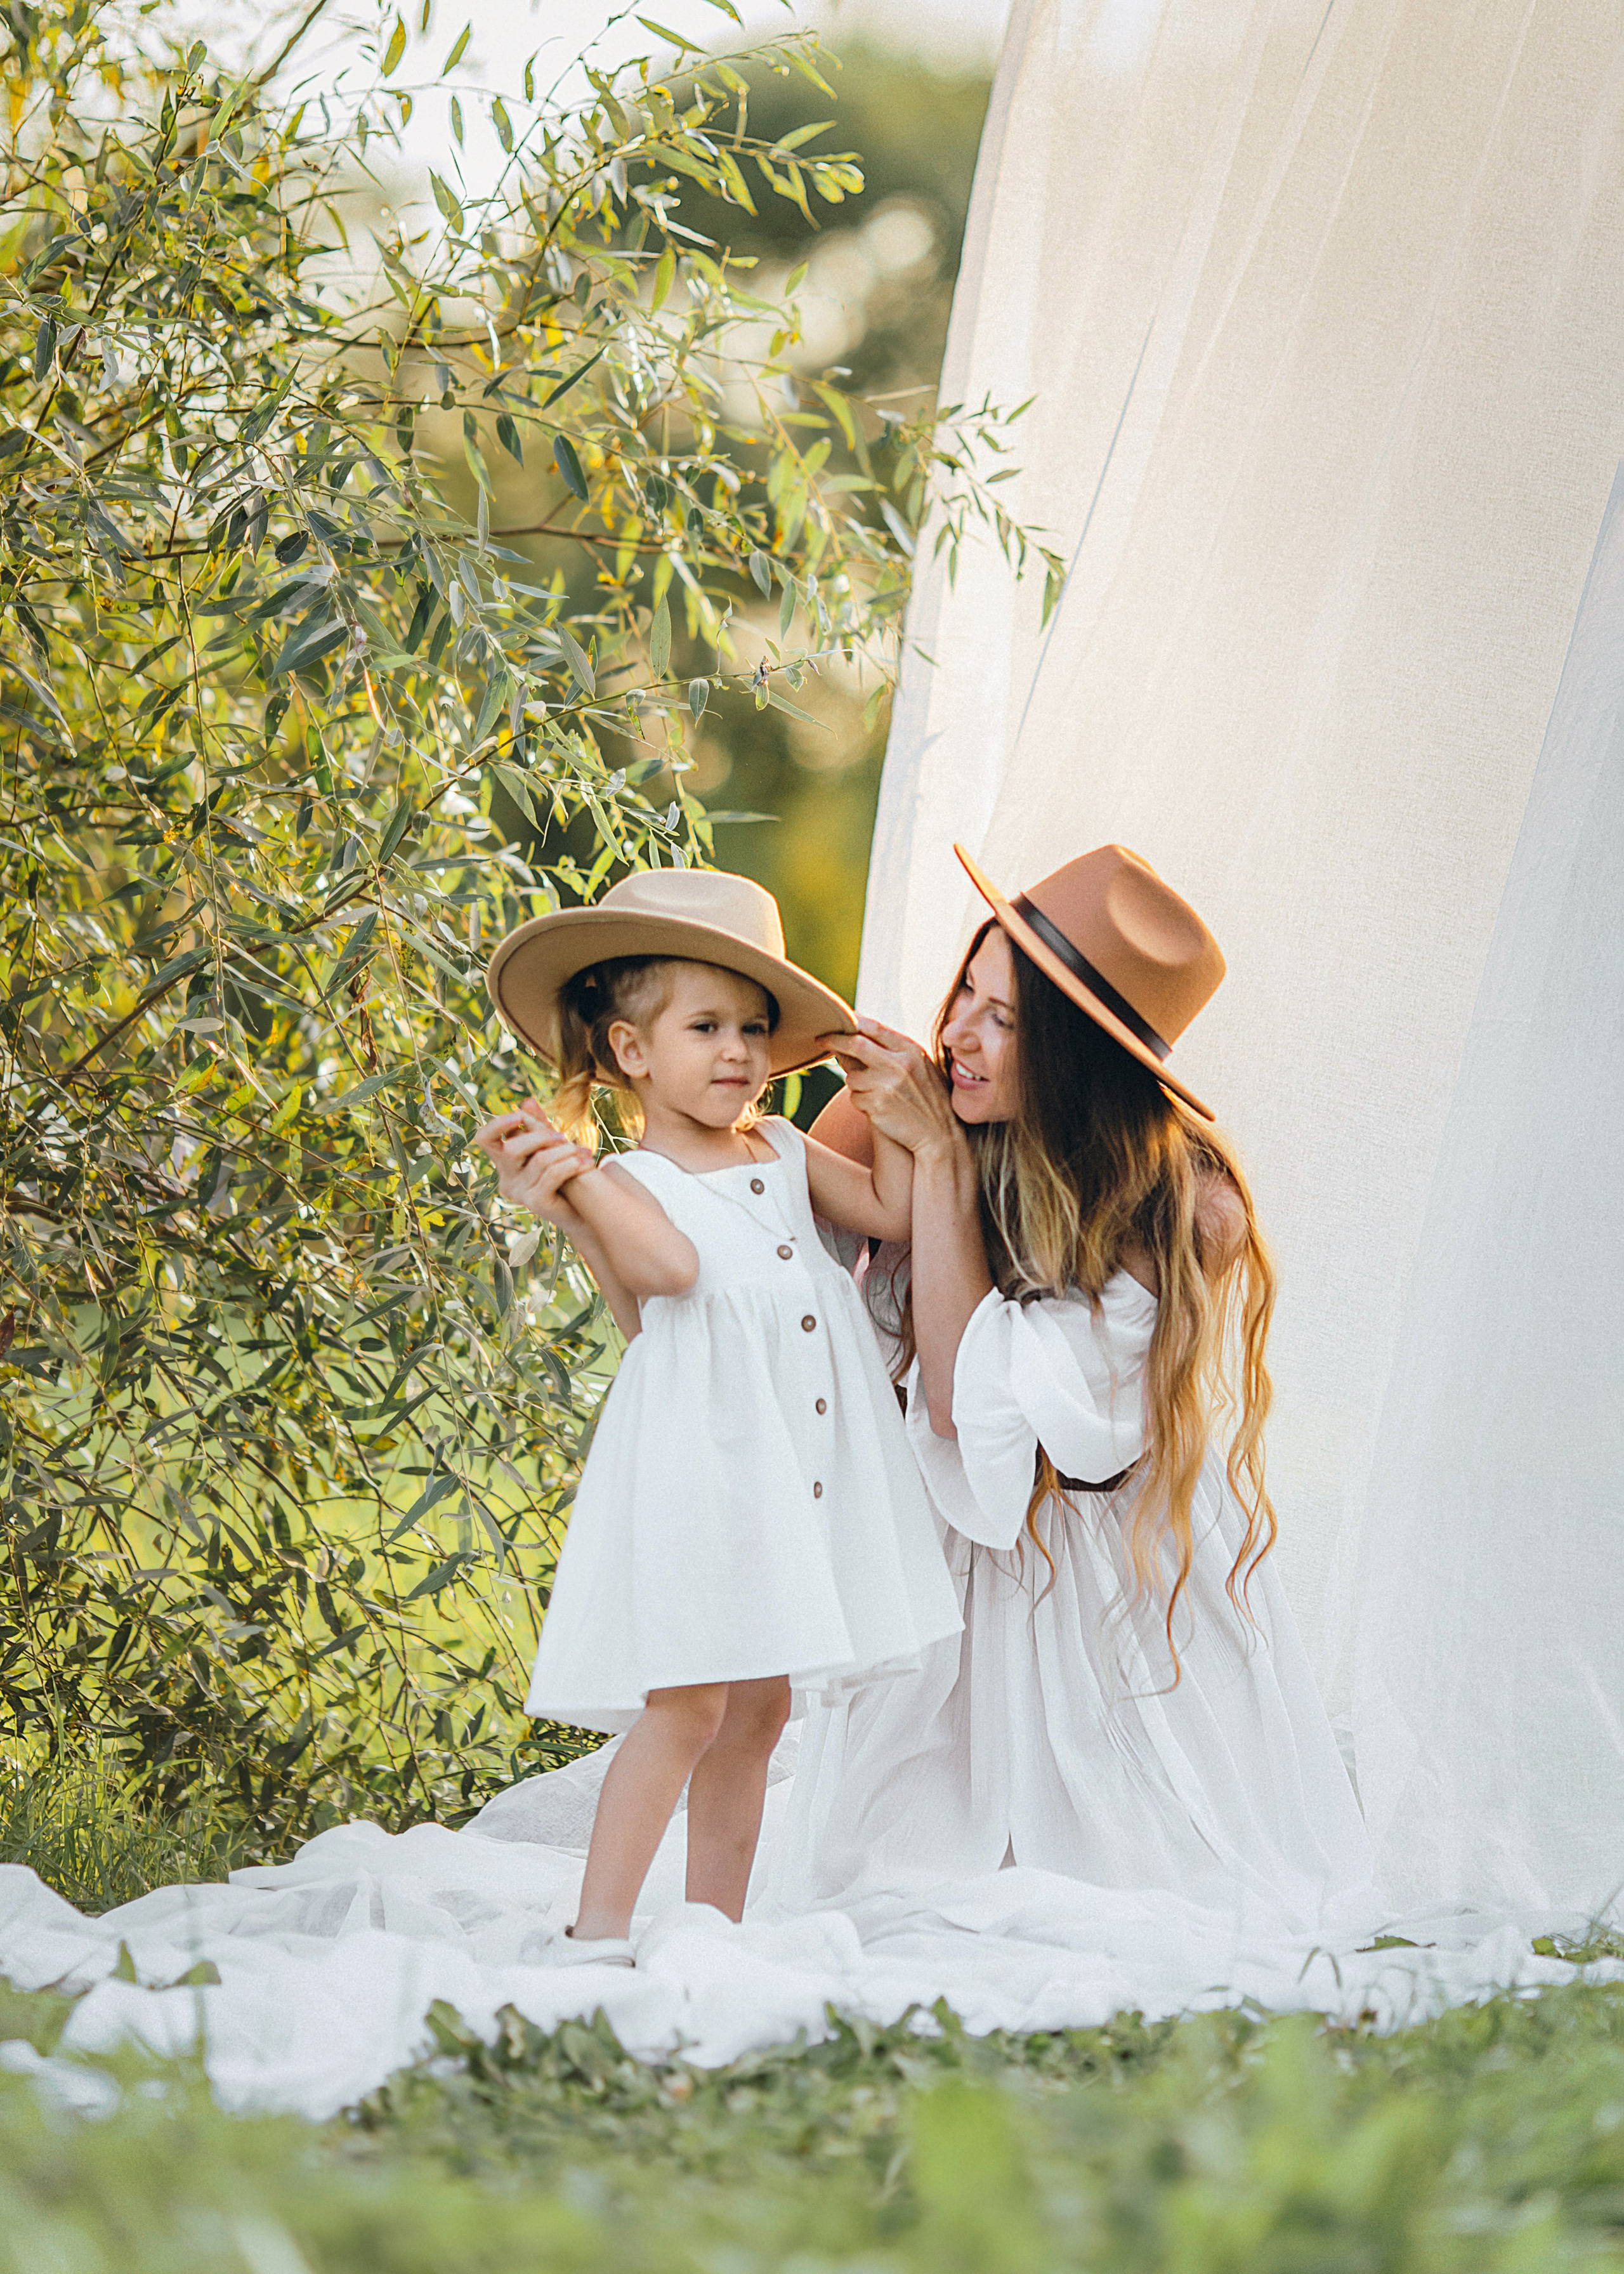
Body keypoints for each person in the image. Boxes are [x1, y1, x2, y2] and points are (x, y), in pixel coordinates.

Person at [775, 843, 1373, 1929]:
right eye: (967, 990)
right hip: (950, 1575)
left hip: (1108, 1592)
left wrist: (943, 1172)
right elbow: (771, 1299)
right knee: (891, 1866)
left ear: (1080, 1058)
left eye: (1006, 1019)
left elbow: (965, 1410)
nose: (958, 1035)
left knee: (1145, 1879)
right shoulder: (890, 1120)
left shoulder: (1180, 1210)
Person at [473, 867, 962, 1966]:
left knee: (760, 1711)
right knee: (687, 1705)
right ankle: (598, 1929)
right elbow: (670, 1275)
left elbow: (890, 1212)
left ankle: (713, 1928)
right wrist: (573, 1185)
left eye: (752, 1027)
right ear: (632, 1050)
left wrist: (903, 1121)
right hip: (705, 1469)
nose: (738, 1051)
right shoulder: (629, 1177)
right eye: (705, 1027)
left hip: (791, 1472)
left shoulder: (781, 1150)